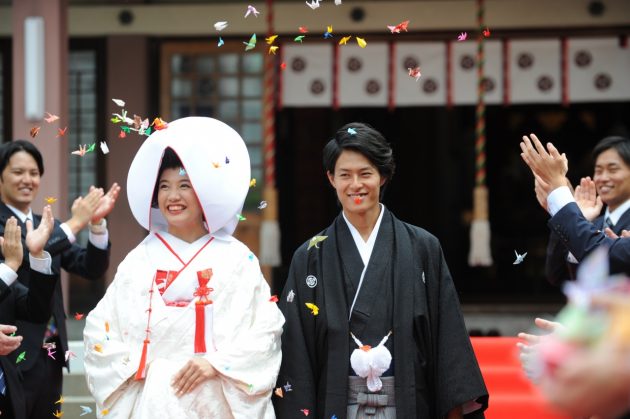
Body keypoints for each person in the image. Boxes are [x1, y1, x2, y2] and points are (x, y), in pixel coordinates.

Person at [274, 123, 488, 419]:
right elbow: (296, 349)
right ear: (330, 178)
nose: (355, 185)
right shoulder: (310, 256)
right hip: (336, 405)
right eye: (345, 175)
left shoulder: (423, 247)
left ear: (383, 176)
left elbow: (447, 336)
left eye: (365, 174)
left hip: (409, 404)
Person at [83, 117, 284, 418]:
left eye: (184, 186)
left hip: (216, 398)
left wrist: (217, 363)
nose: (172, 197)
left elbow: (265, 328)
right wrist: (144, 366)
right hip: (152, 398)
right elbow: (100, 329)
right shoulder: (140, 261)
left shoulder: (238, 260)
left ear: (203, 192)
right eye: (164, 187)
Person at [0, 139, 119, 418]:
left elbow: (89, 266)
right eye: (18, 172)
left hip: (52, 354)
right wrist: (74, 223)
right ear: (1, 176)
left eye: (33, 173)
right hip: (11, 352)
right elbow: (28, 254)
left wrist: (96, 224)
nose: (27, 179)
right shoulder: (6, 224)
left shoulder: (47, 224)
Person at [520, 134, 630, 275]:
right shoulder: (591, 223)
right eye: (598, 170)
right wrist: (574, 216)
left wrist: (560, 196)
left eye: (613, 169)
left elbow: (597, 250)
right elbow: (555, 274)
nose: (603, 178)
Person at [0, 210, 57, 419]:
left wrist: (37, 255)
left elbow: (38, 310)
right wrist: (11, 265)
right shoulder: (6, 269)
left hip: (9, 396)